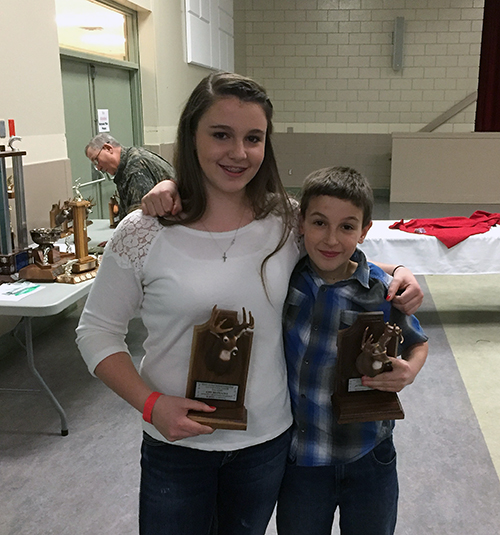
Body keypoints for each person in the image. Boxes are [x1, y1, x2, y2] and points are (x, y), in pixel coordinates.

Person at [77, 72, 423, 535]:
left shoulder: (283, 220)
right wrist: (150, 404)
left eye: (253, 138)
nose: (238, 153)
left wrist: (397, 273)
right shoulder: (144, 231)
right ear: (191, 136)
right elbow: (96, 332)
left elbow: (336, 252)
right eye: (221, 134)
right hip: (175, 445)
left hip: (265, 443)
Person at [276, 166, 429, 535]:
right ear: (300, 223)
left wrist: (409, 371)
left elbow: (418, 343)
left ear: (364, 231)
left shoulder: (381, 291)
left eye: (346, 227)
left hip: (368, 453)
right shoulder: (286, 278)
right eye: (319, 223)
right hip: (303, 458)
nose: (331, 238)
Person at [85, 133, 176, 220]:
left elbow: (140, 219)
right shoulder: (131, 158)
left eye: (96, 160)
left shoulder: (136, 168)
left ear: (108, 148)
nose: (98, 168)